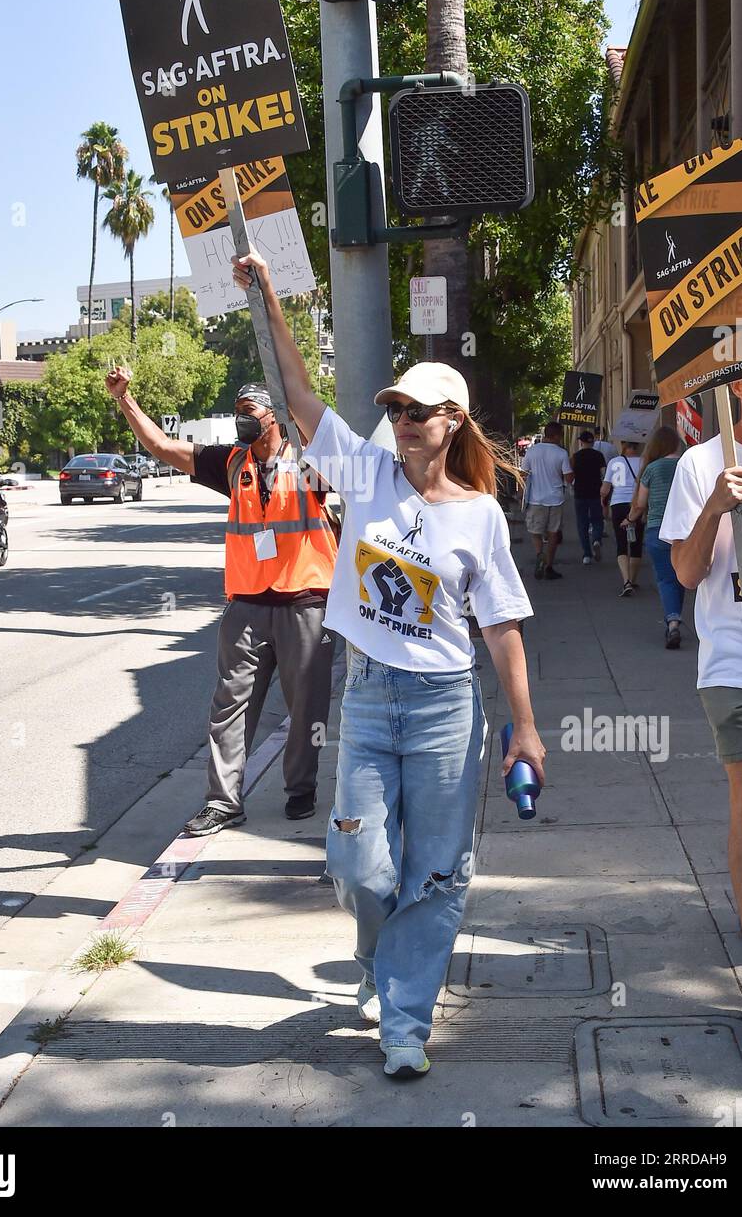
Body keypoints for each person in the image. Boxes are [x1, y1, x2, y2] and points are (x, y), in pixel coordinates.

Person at [231, 249, 546, 1081]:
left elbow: (503, 626)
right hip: (368, 699)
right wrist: (267, 295)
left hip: (446, 706)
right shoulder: (363, 474)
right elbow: (300, 400)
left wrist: (524, 727)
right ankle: (378, 955)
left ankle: (404, 1022)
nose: (402, 418)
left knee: (436, 872)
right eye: (395, 407)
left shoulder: (479, 516)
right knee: (358, 864)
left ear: (452, 423)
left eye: (418, 410)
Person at [104, 370, 338, 833]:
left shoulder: (309, 462)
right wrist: (125, 399)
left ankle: (301, 789)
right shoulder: (231, 463)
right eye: (237, 415)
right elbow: (161, 447)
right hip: (247, 605)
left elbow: (339, 459)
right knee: (229, 706)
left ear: (275, 417)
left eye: (248, 413)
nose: (240, 422)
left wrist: (300, 414)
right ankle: (223, 801)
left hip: (305, 602)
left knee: (307, 708)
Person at [660, 365, 742, 1018]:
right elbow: (683, 570)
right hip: (736, 662)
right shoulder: (701, 465)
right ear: (735, 387)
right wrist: (713, 508)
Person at [626, 427, 684, 648]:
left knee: (665, 578)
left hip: (658, 529)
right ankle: (675, 616)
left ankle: (673, 623)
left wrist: (629, 519)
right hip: (685, 530)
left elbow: (640, 504)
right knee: (682, 577)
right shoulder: (686, 465)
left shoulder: (652, 468)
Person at [518, 421, 573, 580]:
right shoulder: (561, 453)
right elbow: (568, 477)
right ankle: (549, 565)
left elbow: (523, 474)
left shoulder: (532, 451)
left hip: (535, 498)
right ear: (556, 436)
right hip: (555, 498)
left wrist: (521, 494)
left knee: (535, 532)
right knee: (553, 533)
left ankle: (539, 553)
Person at [600, 440, 644, 597]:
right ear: (637, 445)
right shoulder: (643, 461)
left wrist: (603, 500)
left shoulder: (614, 462)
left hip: (618, 504)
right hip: (637, 504)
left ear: (623, 445)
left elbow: (605, 489)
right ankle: (633, 579)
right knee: (637, 543)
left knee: (621, 543)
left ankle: (626, 581)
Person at [570, 429, 606, 565]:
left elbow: (571, 474)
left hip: (580, 492)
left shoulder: (575, 456)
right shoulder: (599, 455)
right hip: (596, 492)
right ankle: (596, 538)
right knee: (597, 519)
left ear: (581, 442)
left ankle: (587, 554)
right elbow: (603, 473)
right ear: (593, 442)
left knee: (582, 523)